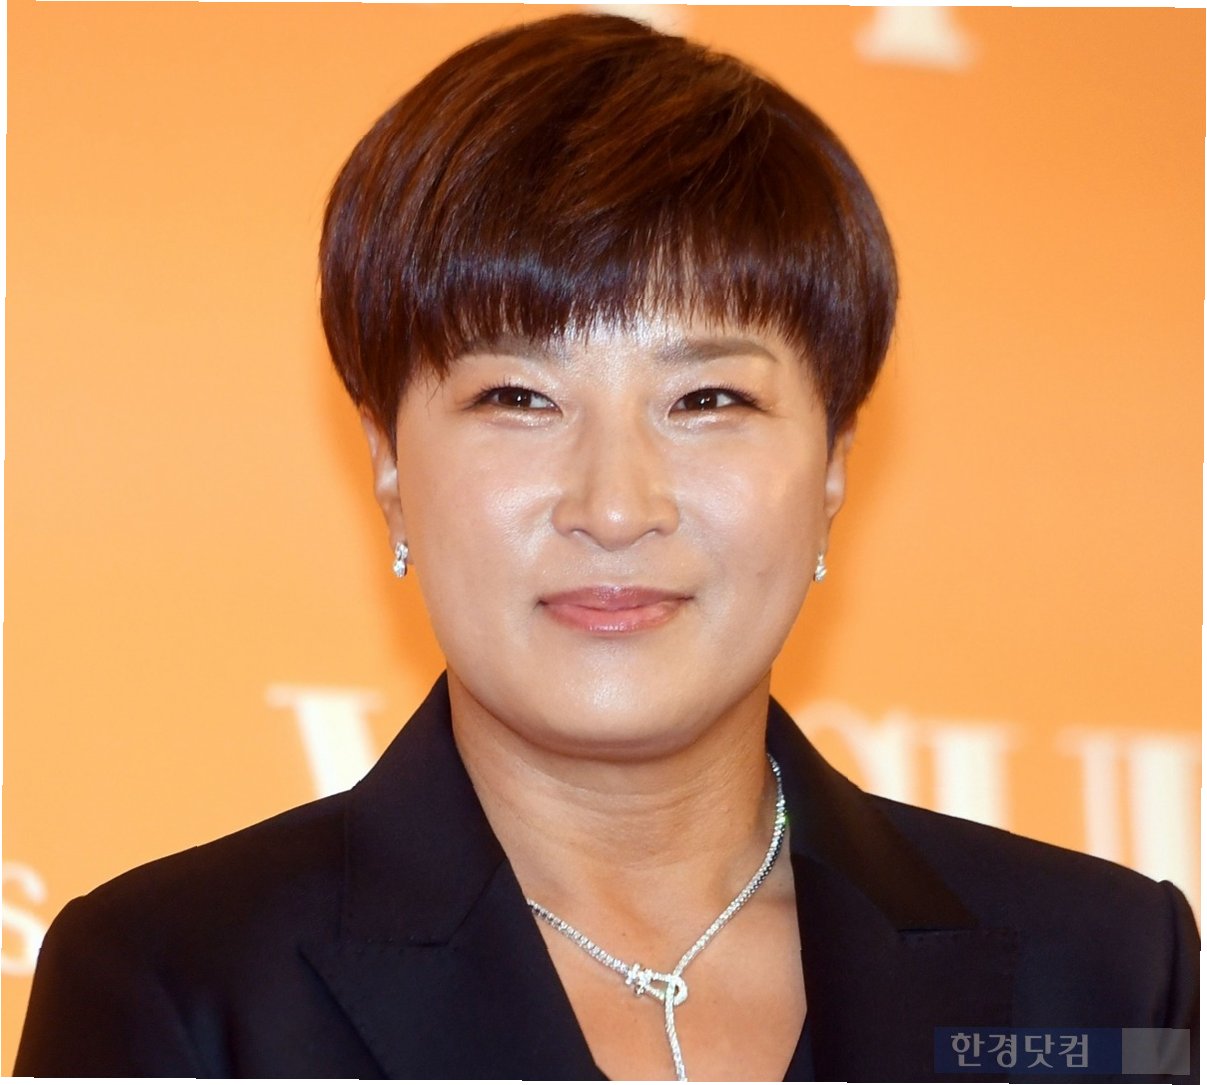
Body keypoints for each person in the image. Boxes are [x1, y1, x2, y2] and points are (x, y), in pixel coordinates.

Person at [14, 12, 1197, 1082]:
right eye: (518, 397)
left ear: (834, 461)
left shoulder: (1104, 973)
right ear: (388, 464)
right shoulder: (181, 985)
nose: (616, 506)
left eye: (708, 400)